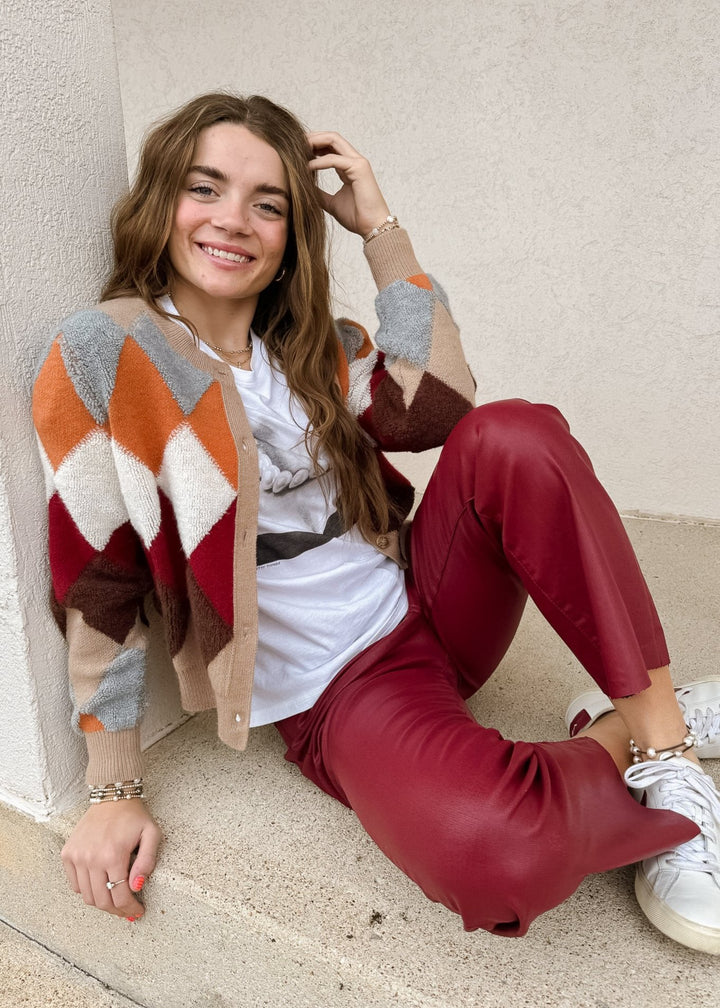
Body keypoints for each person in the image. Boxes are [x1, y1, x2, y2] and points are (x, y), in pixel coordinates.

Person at [32, 91, 720, 952]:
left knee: (513, 432)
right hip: (347, 693)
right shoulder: (106, 350)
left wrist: (381, 229)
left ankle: (668, 753)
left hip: (428, 603)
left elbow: (436, 409)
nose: (233, 220)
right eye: (204, 188)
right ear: (159, 200)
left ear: (291, 236)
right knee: (493, 850)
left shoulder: (315, 341)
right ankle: (641, 715)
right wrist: (112, 787)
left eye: (269, 203)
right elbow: (96, 579)